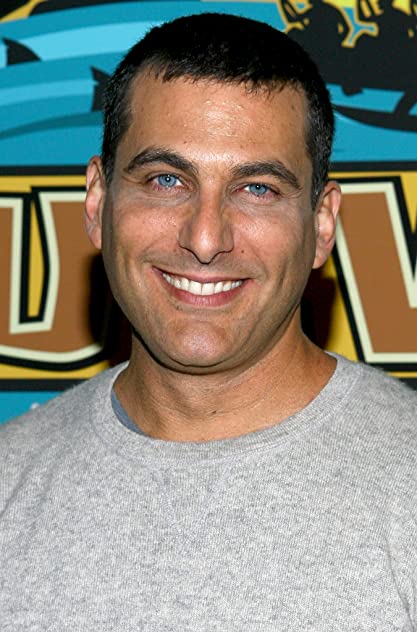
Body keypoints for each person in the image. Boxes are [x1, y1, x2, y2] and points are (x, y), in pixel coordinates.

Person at [1, 13, 416, 630]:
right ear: (98, 201)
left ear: (321, 224)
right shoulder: (10, 481)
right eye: (167, 180)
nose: (204, 238)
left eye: (257, 189)